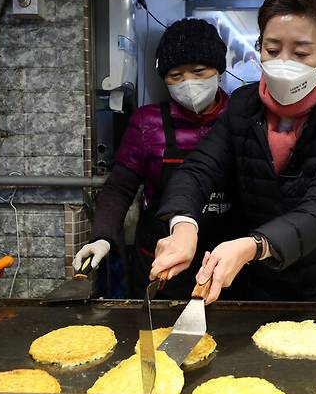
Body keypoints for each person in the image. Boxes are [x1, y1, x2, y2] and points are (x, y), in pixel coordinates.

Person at [150, 0, 316, 304]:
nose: (283, 63)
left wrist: (253, 245)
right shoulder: (243, 105)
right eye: (271, 49)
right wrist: (183, 225)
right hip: (270, 284)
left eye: (300, 53)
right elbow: (199, 168)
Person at [74, 18, 235, 299]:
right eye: (176, 76)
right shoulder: (147, 123)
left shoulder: (241, 117)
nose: (189, 83)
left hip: (225, 261)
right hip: (162, 262)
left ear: (218, 71)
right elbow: (120, 187)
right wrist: (102, 235)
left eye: (198, 72)